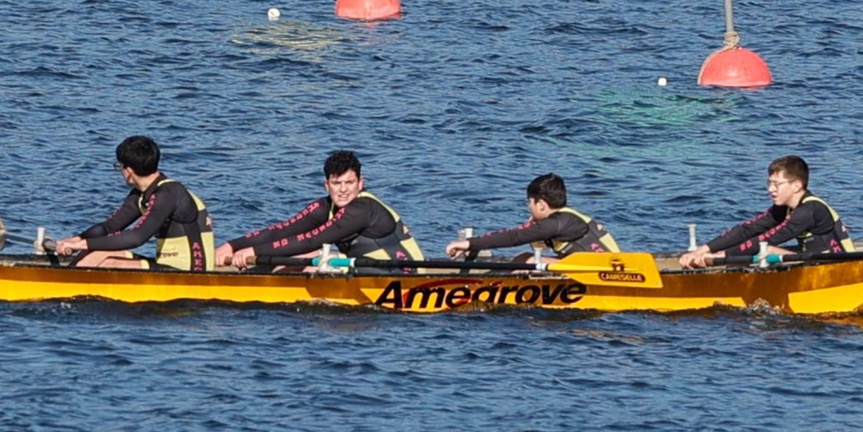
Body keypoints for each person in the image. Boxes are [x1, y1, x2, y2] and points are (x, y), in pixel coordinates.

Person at [215, 151, 425, 269]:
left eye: (349, 183)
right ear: (327, 185)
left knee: (308, 258)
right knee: (301, 256)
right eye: (336, 183)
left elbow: (311, 240)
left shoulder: (363, 209)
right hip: (366, 271)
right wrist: (232, 245)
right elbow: (283, 231)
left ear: (361, 183)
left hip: (404, 276)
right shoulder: (324, 207)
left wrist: (253, 252)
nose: (343, 190)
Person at [53, 136, 215, 271]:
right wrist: (74, 240)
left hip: (190, 272)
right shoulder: (141, 194)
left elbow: (137, 237)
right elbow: (108, 227)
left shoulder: (169, 193)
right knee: (94, 254)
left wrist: (82, 244)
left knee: (110, 264)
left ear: (129, 171)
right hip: (165, 265)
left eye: (119, 167)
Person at [678, 155, 855, 268]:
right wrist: (702, 250)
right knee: (761, 247)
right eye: (769, 183)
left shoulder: (809, 211)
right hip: (814, 261)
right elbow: (748, 229)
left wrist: (716, 257)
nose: (771, 189)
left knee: (767, 250)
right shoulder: (784, 208)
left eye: (777, 184)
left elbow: (767, 239)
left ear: (796, 186)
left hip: (837, 266)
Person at [444, 173, 620, 261]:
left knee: (525, 260)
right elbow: (534, 241)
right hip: (593, 269)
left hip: (600, 273)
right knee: (525, 258)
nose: (529, 207)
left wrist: (468, 243)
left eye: (530, 203)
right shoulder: (564, 219)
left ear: (541, 204)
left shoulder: (558, 223)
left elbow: (514, 237)